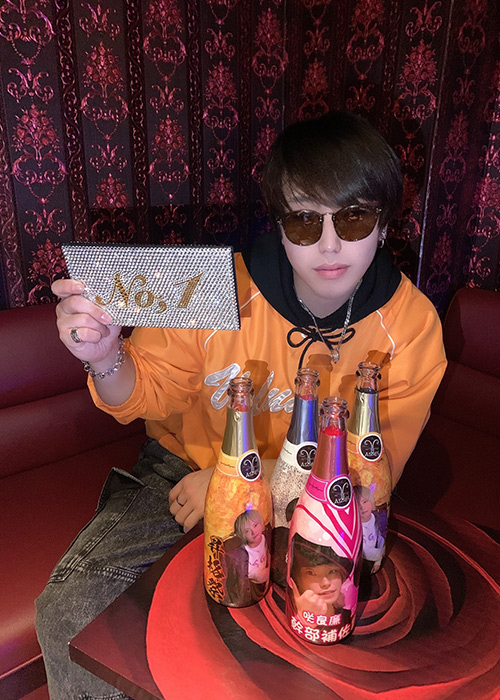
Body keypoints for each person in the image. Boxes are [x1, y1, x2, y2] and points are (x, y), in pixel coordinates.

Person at [36, 110, 447, 698]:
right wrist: (104, 356)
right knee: (70, 610)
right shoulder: (214, 285)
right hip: (183, 475)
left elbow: (368, 479)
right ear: (279, 225)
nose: (330, 244)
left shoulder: (411, 328)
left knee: (299, 651)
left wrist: (237, 486)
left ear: (383, 225)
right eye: (304, 221)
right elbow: (145, 390)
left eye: (354, 217)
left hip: (325, 510)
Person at [288, 533, 353, 630]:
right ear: (297, 580)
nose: (325, 583)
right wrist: (303, 619)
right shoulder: (288, 615)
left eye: (332, 571)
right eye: (311, 573)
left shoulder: (347, 617)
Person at [222, 509, 271, 606]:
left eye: (255, 525)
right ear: (242, 535)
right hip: (250, 593)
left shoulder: (266, 537)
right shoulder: (240, 555)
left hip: (265, 588)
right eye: (247, 531)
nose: (253, 532)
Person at [354, 484, 385, 574]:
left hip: (374, 559)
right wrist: (379, 555)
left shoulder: (377, 520)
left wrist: (378, 561)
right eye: (357, 504)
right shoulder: (354, 524)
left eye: (365, 501)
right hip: (359, 562)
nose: (362, 507)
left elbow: (381, 540)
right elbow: (363, 551)